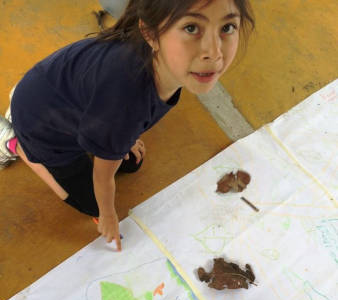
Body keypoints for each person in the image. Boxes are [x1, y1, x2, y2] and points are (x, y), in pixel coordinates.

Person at [1, 0, 254, 251]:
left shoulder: (152, 69)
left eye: (227, 27)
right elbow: (103, 176)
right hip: (42, 126)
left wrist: (123, 138)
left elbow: (114, 112)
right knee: (92, 205)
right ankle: (17, 144)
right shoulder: (124, 102)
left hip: (61, 99)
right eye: (191, 28)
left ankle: (28, 106)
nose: (214, 52)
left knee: (133, 163)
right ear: (150, 34)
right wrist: (108, 214)